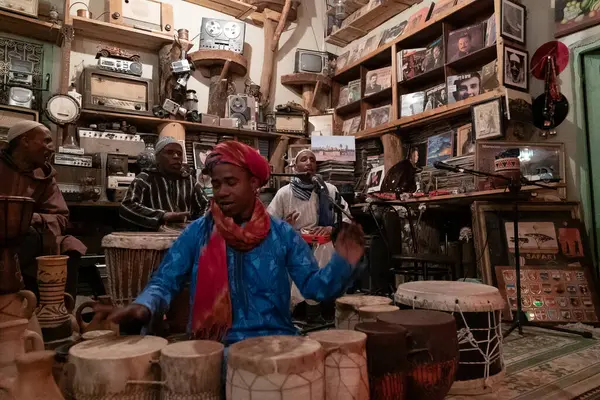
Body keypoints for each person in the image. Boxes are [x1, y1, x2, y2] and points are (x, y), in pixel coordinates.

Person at [103, 141, 365, 344]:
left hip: (275, 342)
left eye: (231, 182)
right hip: (214, 346)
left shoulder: (282, 234)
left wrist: (343, 261)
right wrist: (143, 305)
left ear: (254, 184)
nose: (221, 192)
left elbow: (314, 288)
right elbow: (164, 282)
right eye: (216, 184)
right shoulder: (198, 233)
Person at [0, 121, 86, 299]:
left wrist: (32, 218)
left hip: (34, 236)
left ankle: (59, 310)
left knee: (70, 244)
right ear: (25, 141)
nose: (52, 148)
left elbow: (61, 218)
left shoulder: (45, 177)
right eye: (46, 141)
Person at [120, 136, 208, 231]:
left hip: (184, 236)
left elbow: (207, 205)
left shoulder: (189, 180)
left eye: (179, 153)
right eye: (170, 152)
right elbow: (126, 207)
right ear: (157, 158)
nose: (176, 156)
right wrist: (162, 215)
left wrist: (198, 225)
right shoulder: (145, 179)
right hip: (153, 238)